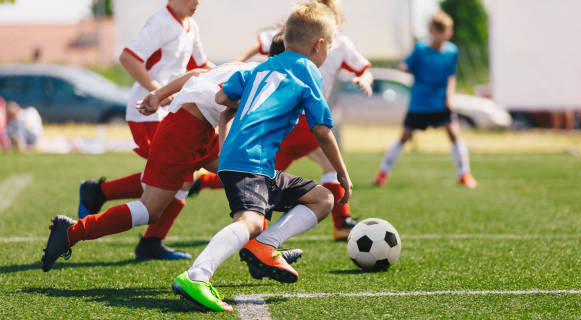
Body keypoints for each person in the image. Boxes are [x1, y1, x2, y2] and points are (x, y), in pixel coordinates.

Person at [40, 36, 304, 274]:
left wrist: (157, 95)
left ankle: (262, 251)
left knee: (252, 181)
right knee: (150, 209)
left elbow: (198, 74)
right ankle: (72, 232)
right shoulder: (265, 78)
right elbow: (228, 109)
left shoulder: (253, 69)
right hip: (184, 132)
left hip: (194, 130)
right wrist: (228, 148)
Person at [170, 2, 351, 311]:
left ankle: (264, 245)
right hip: (249, 160)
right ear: (318, 45)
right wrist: (342, 173)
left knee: (322, 199)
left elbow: (222, 97)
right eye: (329, 47)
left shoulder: (260, 67)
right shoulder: (307, 69)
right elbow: (321, 130)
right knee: (251, 220)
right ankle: (197, 275)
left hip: (250, 162)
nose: (327, 54)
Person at [191, 0, 372, 241]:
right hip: (294, 119)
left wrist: (366, 80)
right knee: (268, 177)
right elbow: (259, 44)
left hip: (302, 117)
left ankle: (338, 223)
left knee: (268, 176)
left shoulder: (341, 44)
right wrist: (237, 64)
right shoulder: (296, 46)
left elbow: (363, 69)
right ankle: (261, 234)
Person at [77, 0, 214, 260]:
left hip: (170, 112)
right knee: (173, 179)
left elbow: (202, 66)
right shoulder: (161, 22)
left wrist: (238, 72)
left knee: (180, 178)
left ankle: (145, 236)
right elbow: (128, 57)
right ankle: (107, 201)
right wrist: (158, 92)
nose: (196, 1)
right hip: (147, 112)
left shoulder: (191, 26)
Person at [373, 11, 477, 189]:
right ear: (432, 31)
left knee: (453, 134)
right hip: (419, 103)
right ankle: (382, 173)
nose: (444, 34)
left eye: (447, 31)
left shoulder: (452, 51)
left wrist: (449, 98)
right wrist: (404, 66)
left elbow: (451, 75)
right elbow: (406, 65)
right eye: (440, 31)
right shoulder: (420, 49)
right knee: (405, 137)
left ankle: (464, 175)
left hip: (440, 103)